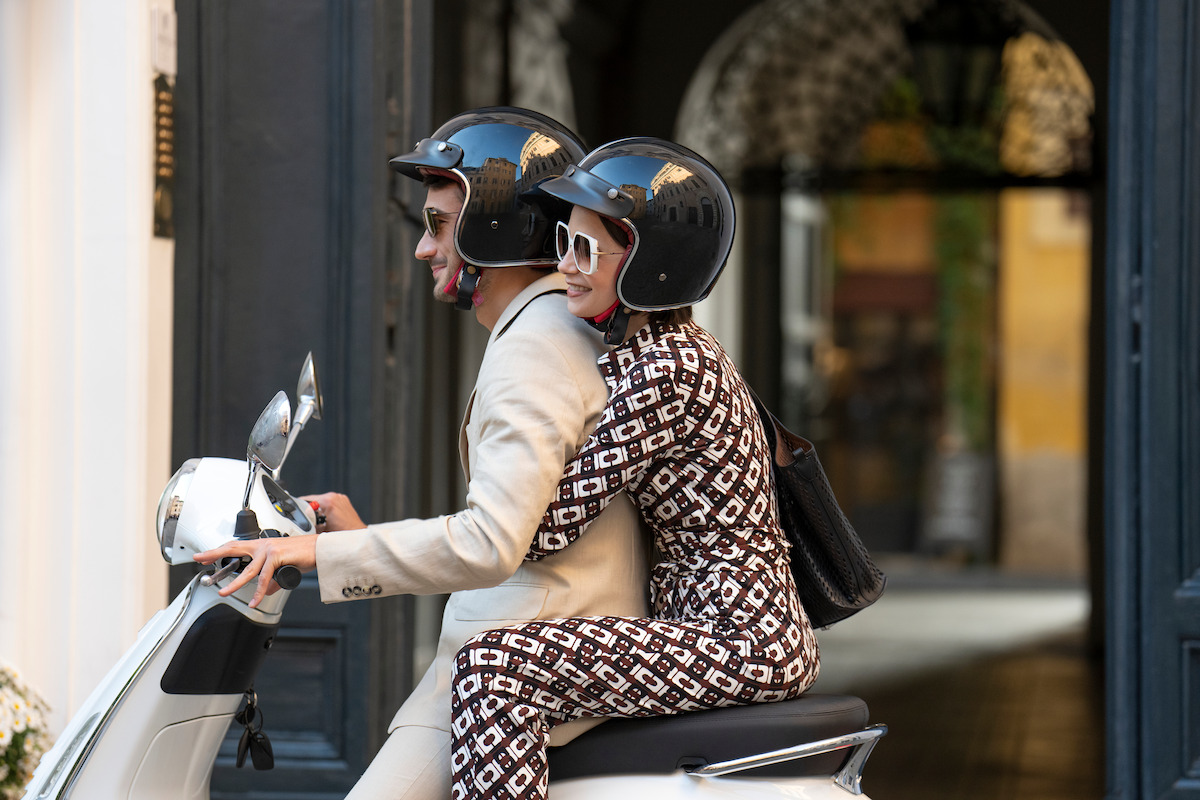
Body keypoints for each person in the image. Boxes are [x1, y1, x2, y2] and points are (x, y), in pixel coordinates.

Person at [194, 108, 649, 800]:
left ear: (492, 227)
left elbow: (493, 543)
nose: (421, 248)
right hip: (526, 648)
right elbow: (525, 534)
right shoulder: (556, 327)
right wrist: (359, 541)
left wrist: (317, 553)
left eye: (438, 224)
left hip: (516, 674)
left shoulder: (536, 346)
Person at [447, 138, 821, 800]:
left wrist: (517, 466)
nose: (565, 266)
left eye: (584, 250)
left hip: (738, 639)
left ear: (652, 265)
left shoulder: (665, 370)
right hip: (722, 628)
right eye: (562, 241)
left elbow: (543, 531)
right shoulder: (671, 349)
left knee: (493, 670)